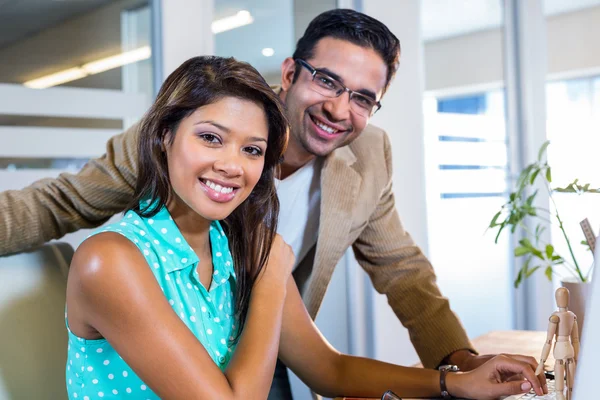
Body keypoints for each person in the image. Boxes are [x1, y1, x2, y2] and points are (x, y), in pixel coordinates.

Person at [0, 9, 548, 399]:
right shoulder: (128, 243)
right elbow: (58, 204)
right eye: (328, 81)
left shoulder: (359, 161)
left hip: (266, 342)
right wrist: (270, 269)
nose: (339, 108)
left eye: (362, 97)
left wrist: (459, 371)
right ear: (291, 74)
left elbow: (399, 276)